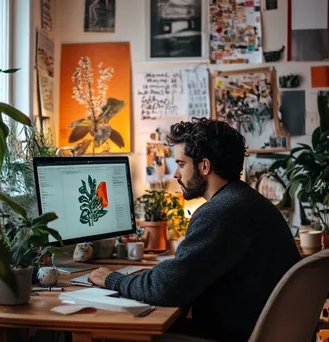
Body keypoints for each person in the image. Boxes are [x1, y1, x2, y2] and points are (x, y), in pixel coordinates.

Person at [89, 117, 301, 342]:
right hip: (251, 330)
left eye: (181, 164)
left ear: (205, 166)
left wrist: (114, 280)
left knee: (113, 336)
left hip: (234, 335)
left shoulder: (222, 211)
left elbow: (166, 288)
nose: (176, 174)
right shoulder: (244, 200)